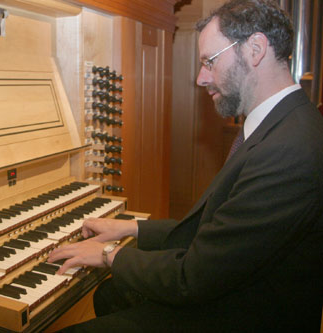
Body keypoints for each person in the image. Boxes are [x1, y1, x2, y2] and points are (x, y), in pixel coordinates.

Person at [48, 0, 323, 331]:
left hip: (248, 315)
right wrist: (131, 229)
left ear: (255, 49)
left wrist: (109, 255)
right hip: (236, 289)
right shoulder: (281, 123)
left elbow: (193, 276)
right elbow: (216, 231)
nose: (200, 78)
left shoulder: (287, 150)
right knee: (113, 293)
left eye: (209, 61)